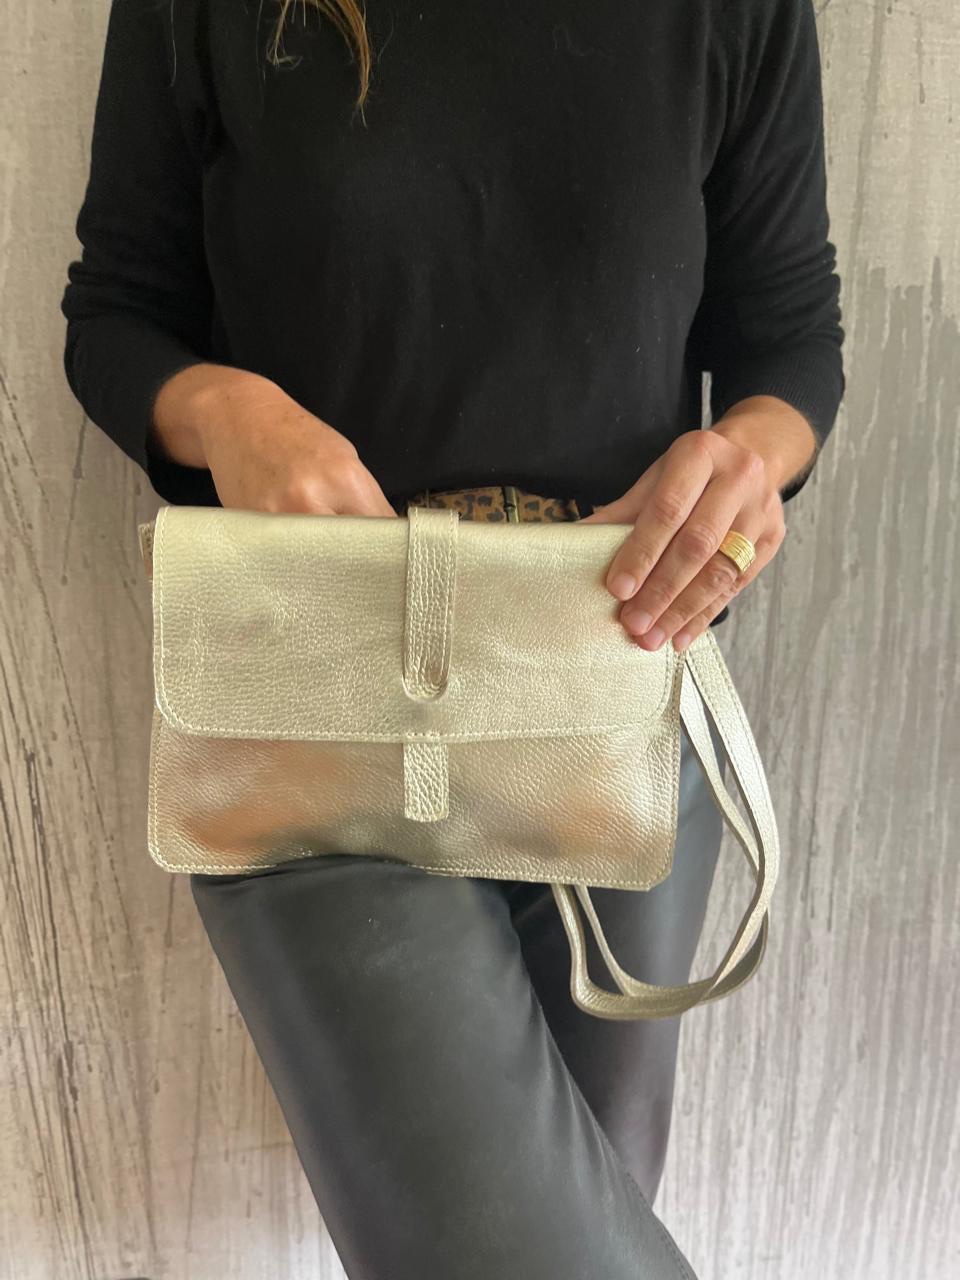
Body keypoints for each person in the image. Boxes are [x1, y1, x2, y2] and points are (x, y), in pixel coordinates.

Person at [60, 1, 845, 1276]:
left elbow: (791, 337)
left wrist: (748, 461)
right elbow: (117, 310)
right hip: (318, 701)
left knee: (574, 1232)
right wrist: (230, 410)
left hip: (612, 681)